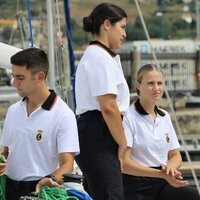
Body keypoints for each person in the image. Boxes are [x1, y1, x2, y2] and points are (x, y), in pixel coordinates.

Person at [0, 48, 80, 200]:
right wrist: (2, 160)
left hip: (40, 191)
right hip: (9, 190)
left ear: (40, 76)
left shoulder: (64, 115)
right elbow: (7, 153)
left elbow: (67, 165)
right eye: (13, 76)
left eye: (20, 77)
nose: (14, 82)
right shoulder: (12, 111)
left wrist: (52, 180)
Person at [75, 2, 130, 200]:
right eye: (122, 27)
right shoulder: (100, 58)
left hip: (95, 132)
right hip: (99, 133)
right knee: (111, 195)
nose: (124, 34)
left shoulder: (99, 56)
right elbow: (108, 107)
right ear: (107, 24)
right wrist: (123, 143)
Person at [122, 64, 200, 200]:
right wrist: (160, 174)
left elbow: (175, 155)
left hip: (164, 181)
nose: (156, 88)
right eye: (151, 83)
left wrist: (171, 166)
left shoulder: (165, 116)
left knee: (191, 195)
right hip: (136, 184)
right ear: (138, 86)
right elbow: (124, 163)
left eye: (159, 83)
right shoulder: (128, 117)